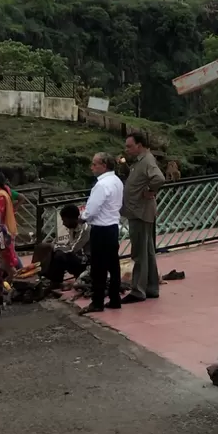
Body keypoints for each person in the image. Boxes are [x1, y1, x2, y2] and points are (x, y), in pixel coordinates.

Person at [120, 131, 165, 304]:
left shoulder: (146, 160)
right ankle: (152, 287)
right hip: (140, 212)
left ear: (140, 145)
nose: (127, 149)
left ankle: (138, 291)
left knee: (139, 253)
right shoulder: (141, 161)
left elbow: (159, 178)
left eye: (130, 146)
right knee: (148, 251)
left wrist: (150, 190)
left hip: (140, 212)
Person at [82, 152, 123, 313]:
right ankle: (114, 298)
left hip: (101, 229)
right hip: (113, 226)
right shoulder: (117, 181)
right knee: (113, 265)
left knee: (98, 268)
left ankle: (97, 301)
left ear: (104, 165)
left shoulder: (101, 185)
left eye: (94, 164)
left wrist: (81, 217)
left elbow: (91, 210)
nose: (92, 167)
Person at [44, 204, 90, 289]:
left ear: (72, 219)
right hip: (78, 257)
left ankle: (56, 282)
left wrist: (55, 247)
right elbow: (69, 245)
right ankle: (53, 280)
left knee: (59, 254)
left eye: (65, 221)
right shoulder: (73, 227)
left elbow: (72, 249)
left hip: (87, 262)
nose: (63, 224)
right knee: (54, 252)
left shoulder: (84, 228)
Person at [0, 170, 20, 272]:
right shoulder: (5, 192)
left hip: (4, 231)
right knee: (9, 256)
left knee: (7, 259)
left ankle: (15, 277)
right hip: (8, 228)